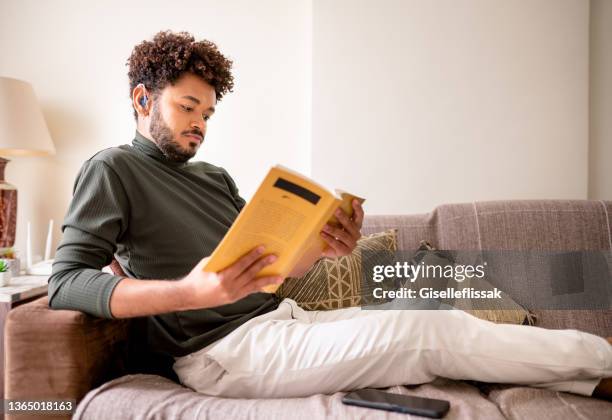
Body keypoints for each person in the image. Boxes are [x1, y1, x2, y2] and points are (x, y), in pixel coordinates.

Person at [48, 30, 612, 401]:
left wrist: (322, 246)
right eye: (187, 107)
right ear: (143, 100)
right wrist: (191, 293)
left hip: (282, 318)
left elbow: (274, 270)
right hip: (223, 354)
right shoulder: (112, 170)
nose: (200, 123)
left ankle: (591, 377)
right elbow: (67, 284)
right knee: (429, 332)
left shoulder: (211, 177)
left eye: (208, 112)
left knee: (437, 314)